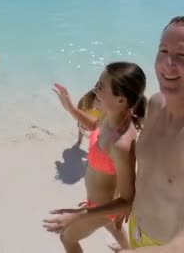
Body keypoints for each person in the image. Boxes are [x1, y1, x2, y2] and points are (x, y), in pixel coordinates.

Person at [43, 16, 184, 252]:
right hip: (135, 226)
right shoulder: (156, 105)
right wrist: (119, 207)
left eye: (183, 55)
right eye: (163, 50)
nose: (168, 64)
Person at [43, 62, 147, 252]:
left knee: (67, 238)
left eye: (101, 87)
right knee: (113, 228)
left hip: (103, 209)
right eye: (97, 83)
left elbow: (127, 200)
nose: (94, 90)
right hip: (98, 201)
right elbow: (95, 127)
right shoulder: (110, 115)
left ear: (121, 100)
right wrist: (71, 109)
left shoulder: (121, 144)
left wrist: (79, 215)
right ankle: (130, 250)